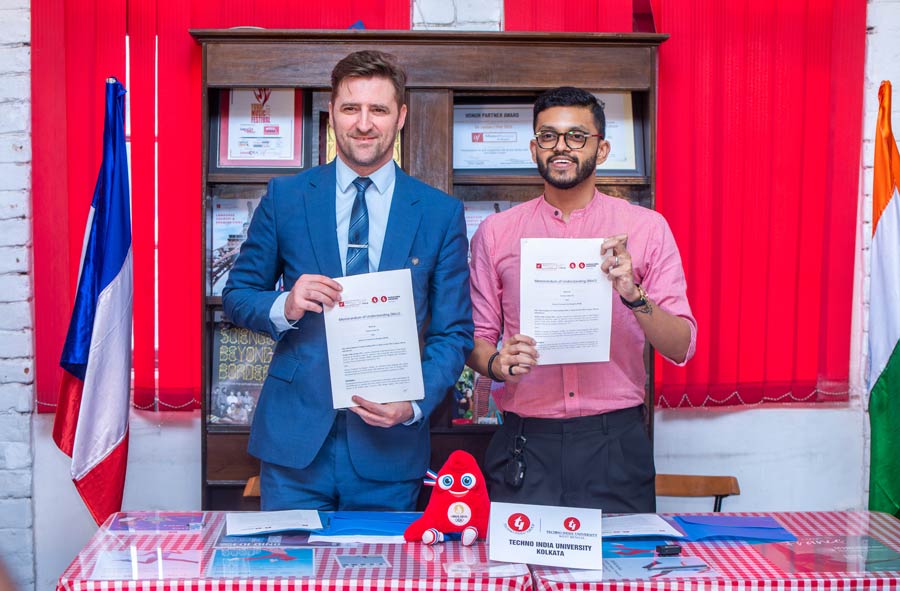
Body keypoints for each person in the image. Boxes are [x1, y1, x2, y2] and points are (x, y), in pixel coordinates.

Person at [223, 50, 473, 511]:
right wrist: (286, 304)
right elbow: (237, 296)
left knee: (382, 560)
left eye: (378, 109)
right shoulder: (286, 197)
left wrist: (413, 404)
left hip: (389, 447)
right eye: (350, 108)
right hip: (295, 444)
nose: (363, 124)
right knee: (290, 561)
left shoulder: (439, 213)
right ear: (332, 113)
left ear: (400, 117)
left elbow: (453, 332)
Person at [467, 86, 696, 512]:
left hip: (615, 445)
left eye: (576, 136)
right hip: (526, 443)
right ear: (534, 148)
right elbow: (476, 340)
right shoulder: (495, 233)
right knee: (518, 560)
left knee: (623, 559)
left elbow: (680, 346)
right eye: (548, 136)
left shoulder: (646, 229)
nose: (561, 147)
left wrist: (634, 295)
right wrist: (498, 362)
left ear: (601, 149)